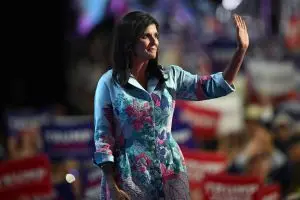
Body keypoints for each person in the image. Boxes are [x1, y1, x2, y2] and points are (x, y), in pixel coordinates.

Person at [93, 11, 249, 200]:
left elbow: (214, 86)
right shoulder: (109, 83)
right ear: (128, 41)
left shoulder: (171, 76)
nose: (154, 41)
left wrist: (240, 51)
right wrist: (111, 183)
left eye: (156, 36)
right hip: (128, 175)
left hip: (171, 171)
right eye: (146, 36)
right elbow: (103, 138)